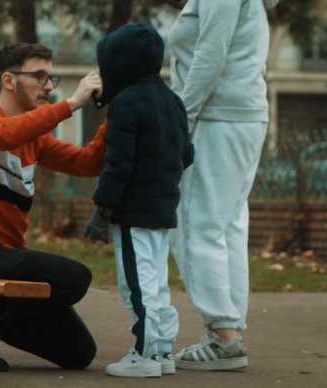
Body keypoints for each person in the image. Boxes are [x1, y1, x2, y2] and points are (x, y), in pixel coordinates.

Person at [0, 42, 105, 372]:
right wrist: (71, 104)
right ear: (9, 80)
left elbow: (87, 164)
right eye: (39, 75)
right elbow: (1, 135)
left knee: (79, 353)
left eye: (51, 78)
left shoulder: (35, 139)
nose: (47, 85)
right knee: (75, 278)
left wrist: (114, 119)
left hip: (6, 263)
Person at [168, 0, 280, 371]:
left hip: (218, 116)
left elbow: (210, 54)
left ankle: (224, 336)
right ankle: (227, 331)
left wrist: (180, 119)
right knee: (227, 225)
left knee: (197, 223)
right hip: (240, 115)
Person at [83, 23, 194, 378]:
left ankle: (144, 354)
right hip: (164, 206)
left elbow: (118, 164)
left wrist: (103, 208)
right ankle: (162, 351)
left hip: (134, 211)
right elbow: (186, 154)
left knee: (136, 282)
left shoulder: (127, 102)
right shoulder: (173, 102)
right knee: (156, 281)